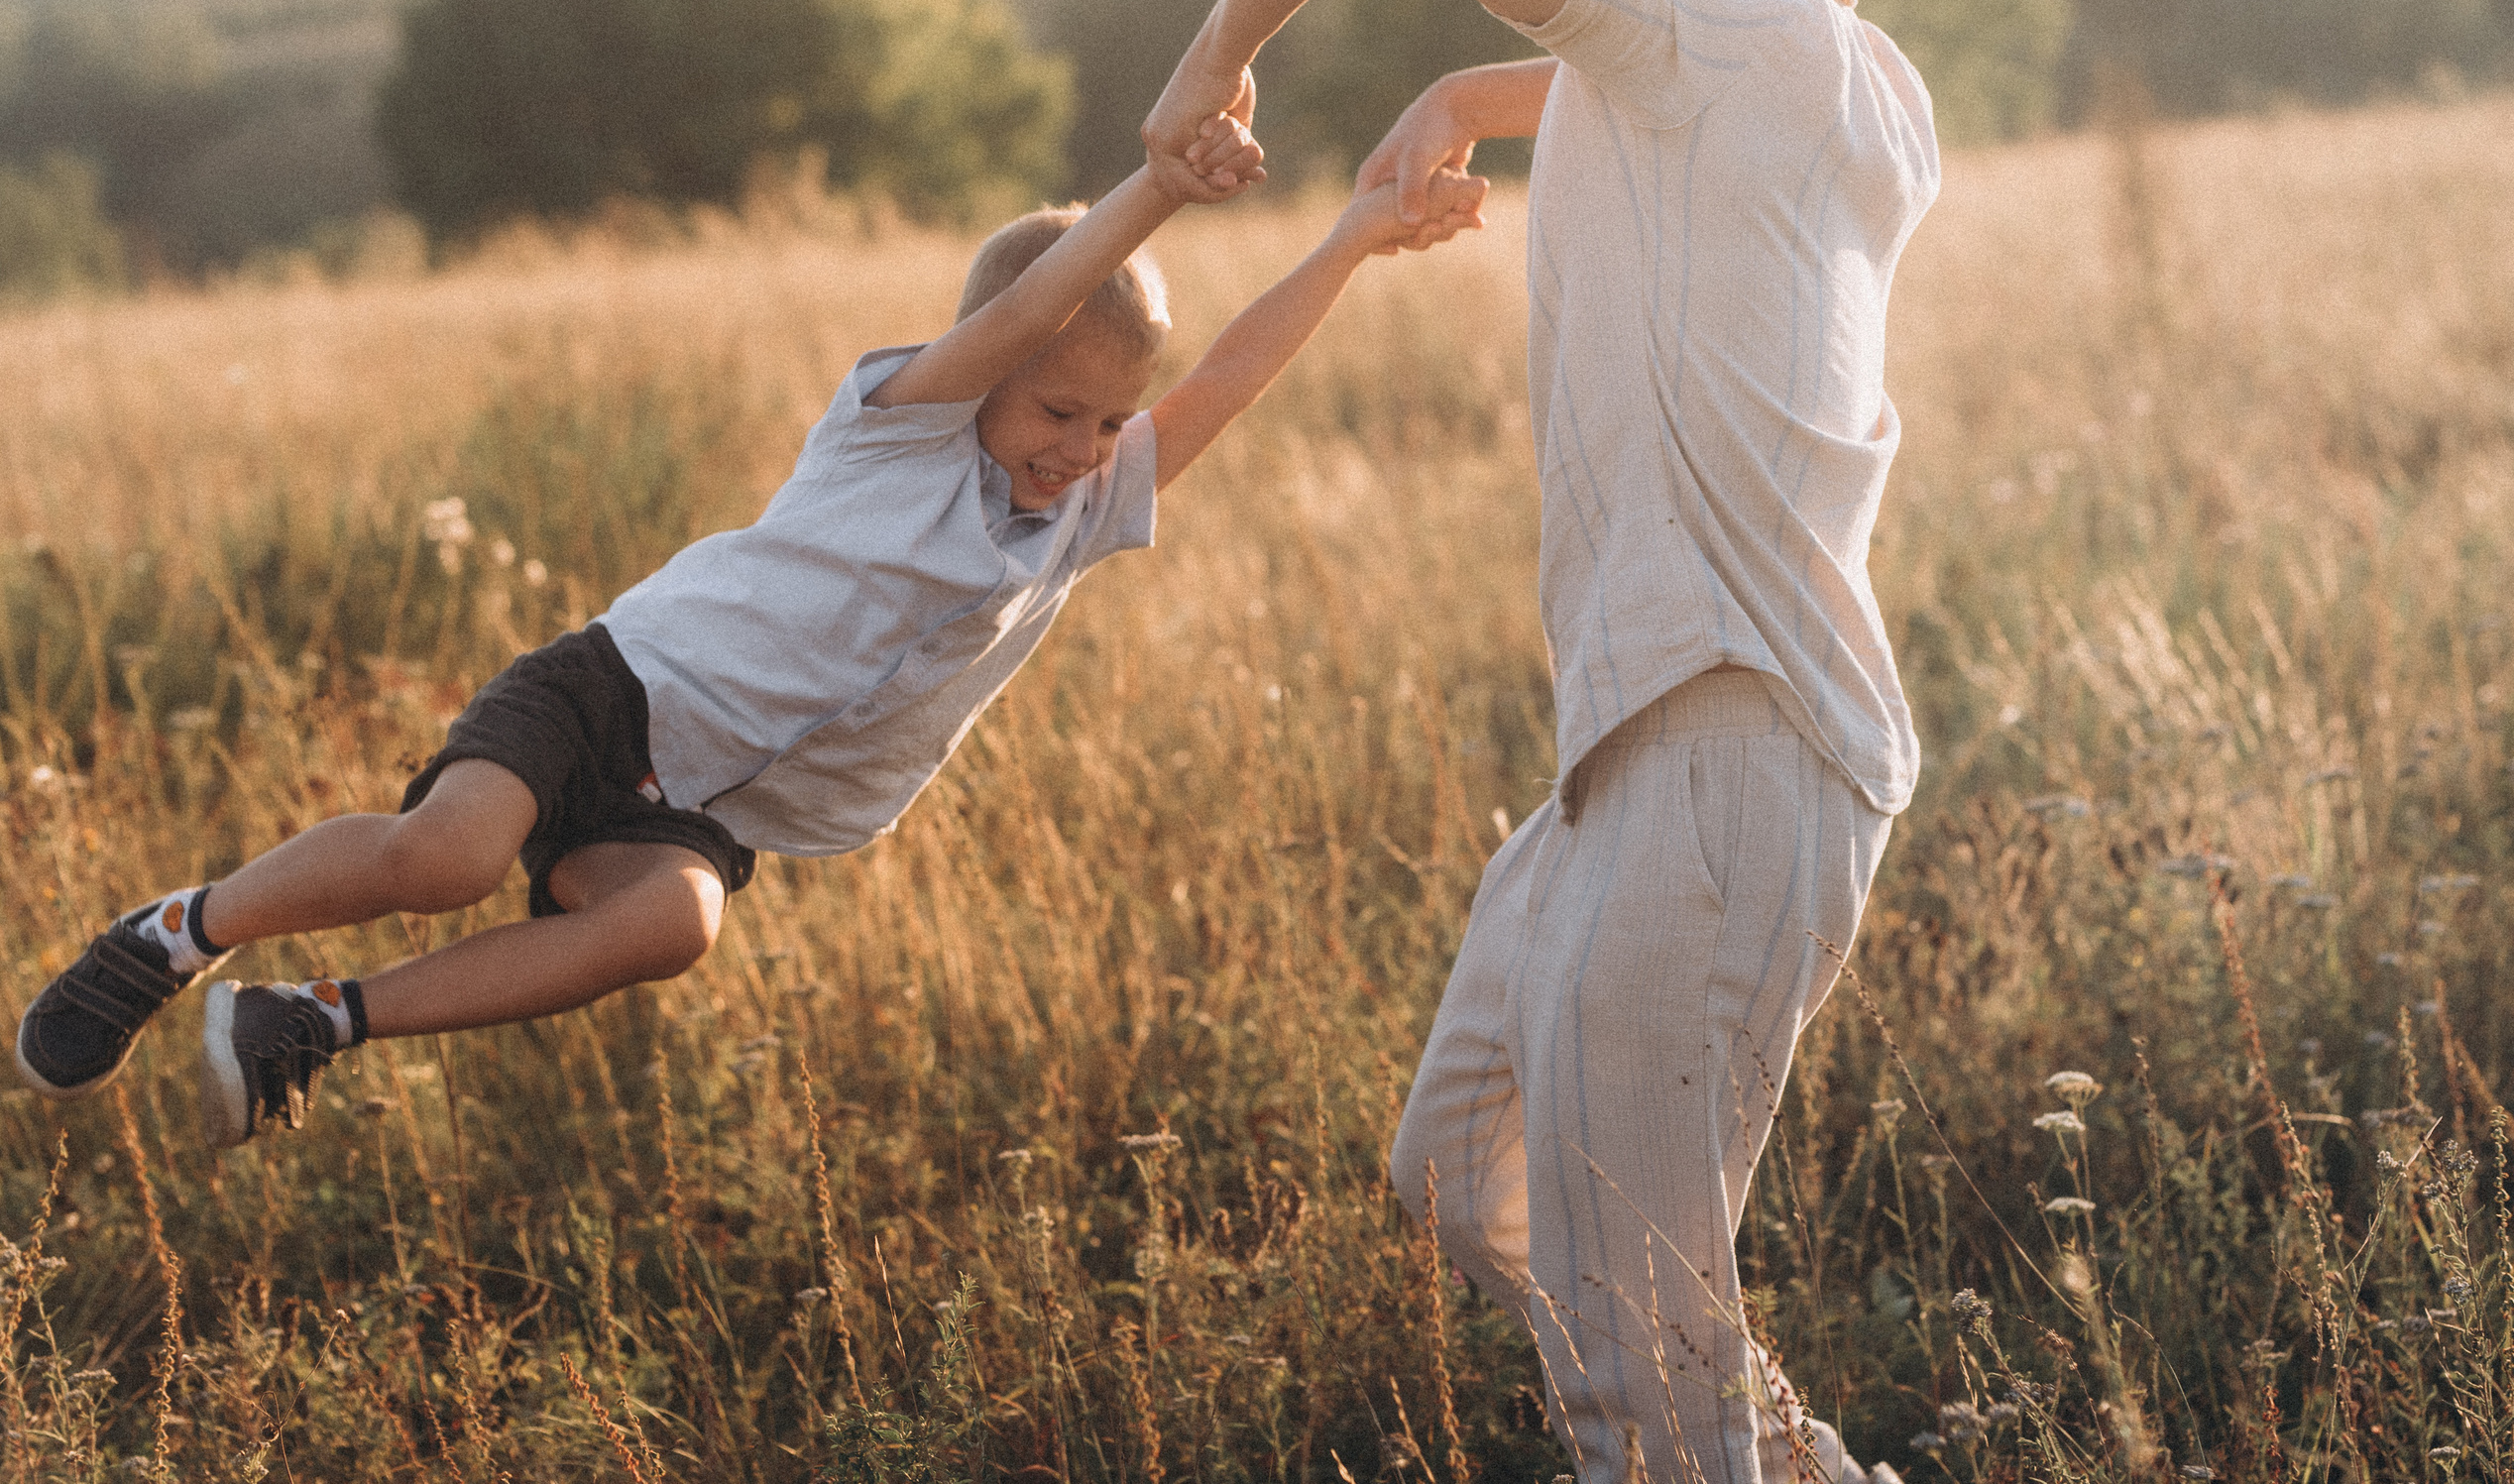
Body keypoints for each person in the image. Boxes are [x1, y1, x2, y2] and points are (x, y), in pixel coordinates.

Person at [16, 148, 1484, 1151]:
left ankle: (308, 1024)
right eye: (1053, 414)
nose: (1077, 451)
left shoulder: (1081, 512)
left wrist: (1354, 235)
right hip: (611, 690)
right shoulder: (893, 423)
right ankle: (175, 935)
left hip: (696, 802)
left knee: (673, 927)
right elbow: (1042, 301)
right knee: (447, 859)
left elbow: (1225, 372)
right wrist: (1156, 188)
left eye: (1107, 425)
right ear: (982, 367)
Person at [1143, 0, 1938, 1479]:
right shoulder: (1838, 60)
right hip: (1644, 758)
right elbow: (1647, 73)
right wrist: (1458, 96)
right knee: (1461, 1174)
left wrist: (1206, 67)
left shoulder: (1713, 14)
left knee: (1635, 1378)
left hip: (1726, 745)